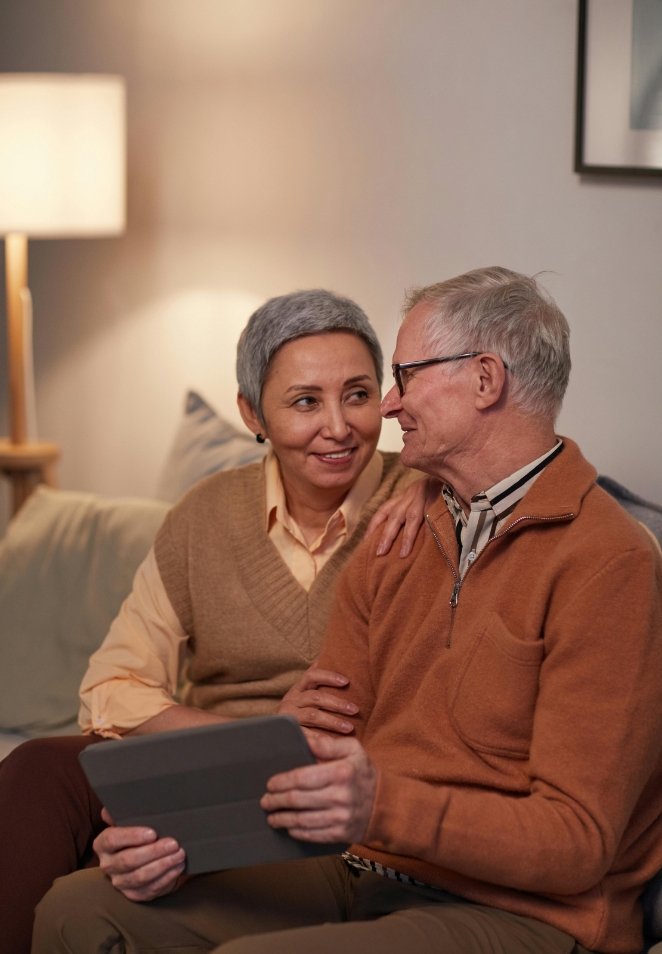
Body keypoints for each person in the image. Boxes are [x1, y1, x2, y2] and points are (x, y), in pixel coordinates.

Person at [33, 268, 662, 954]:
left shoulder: (609, 561)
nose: (389, 406)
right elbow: (319, 749)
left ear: (486, 380)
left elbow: (577, 843)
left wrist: (379, 806)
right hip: (362, 868)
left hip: (525, 912)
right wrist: (177, 837)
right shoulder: (398, 535)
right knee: (79, 908)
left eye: (405, 378)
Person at [0, 289, 433, 954]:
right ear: (252, 413)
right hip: (217, 760)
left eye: (357, 395)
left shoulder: (431, 500)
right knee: (38, 768)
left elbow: (532, 457)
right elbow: (112, 688)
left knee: (96, 881)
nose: (339, 427)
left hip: (336, 786)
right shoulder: (205, 514)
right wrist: (261, 736)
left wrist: (436, 484)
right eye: (305, 402)